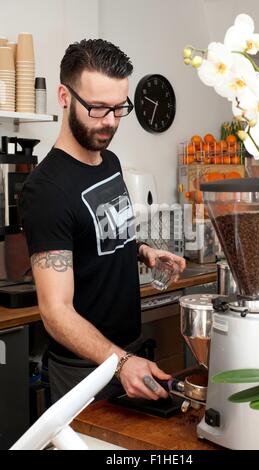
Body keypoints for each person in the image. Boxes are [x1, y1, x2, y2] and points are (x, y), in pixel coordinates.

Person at [20, 39, 185, 404]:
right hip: (85, 370)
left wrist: (144, 252)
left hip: (127, 352)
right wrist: (121, 362)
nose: (110, 122)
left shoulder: (108, 161)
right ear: (64, 96)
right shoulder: (46, 191)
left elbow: (106, 234)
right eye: (97, 108)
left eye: (118, 108)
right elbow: (55, 312)